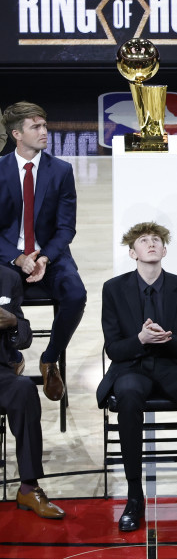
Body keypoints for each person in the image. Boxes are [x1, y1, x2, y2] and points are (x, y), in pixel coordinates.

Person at [97, 222, 177, 531]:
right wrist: (140, 340)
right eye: (143, 241)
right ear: (132, 252)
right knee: (129, 395)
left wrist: (168, 340)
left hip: (174, 365)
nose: (151, 244)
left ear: (164, 250)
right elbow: (114, 349)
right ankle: (135, 496)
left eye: (156, 240)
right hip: (132, 366)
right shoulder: (113, 289)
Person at [0, 102, 86, 402]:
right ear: (16, 134)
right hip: (8, 257)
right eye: (36, 127)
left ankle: (50, 359)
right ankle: (10, 355)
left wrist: (44, 257)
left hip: (51, 254)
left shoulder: (61, 170)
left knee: (76, 295)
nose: (44, 132)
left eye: (44, 125)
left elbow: (66, 228)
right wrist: (19, 257)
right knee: (3, 296)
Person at [0, 264, 65, 520]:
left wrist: (14, 322)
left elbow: (24, 336)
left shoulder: (7, 278)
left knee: (24, 389)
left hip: (1, 372)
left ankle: (28, 487)